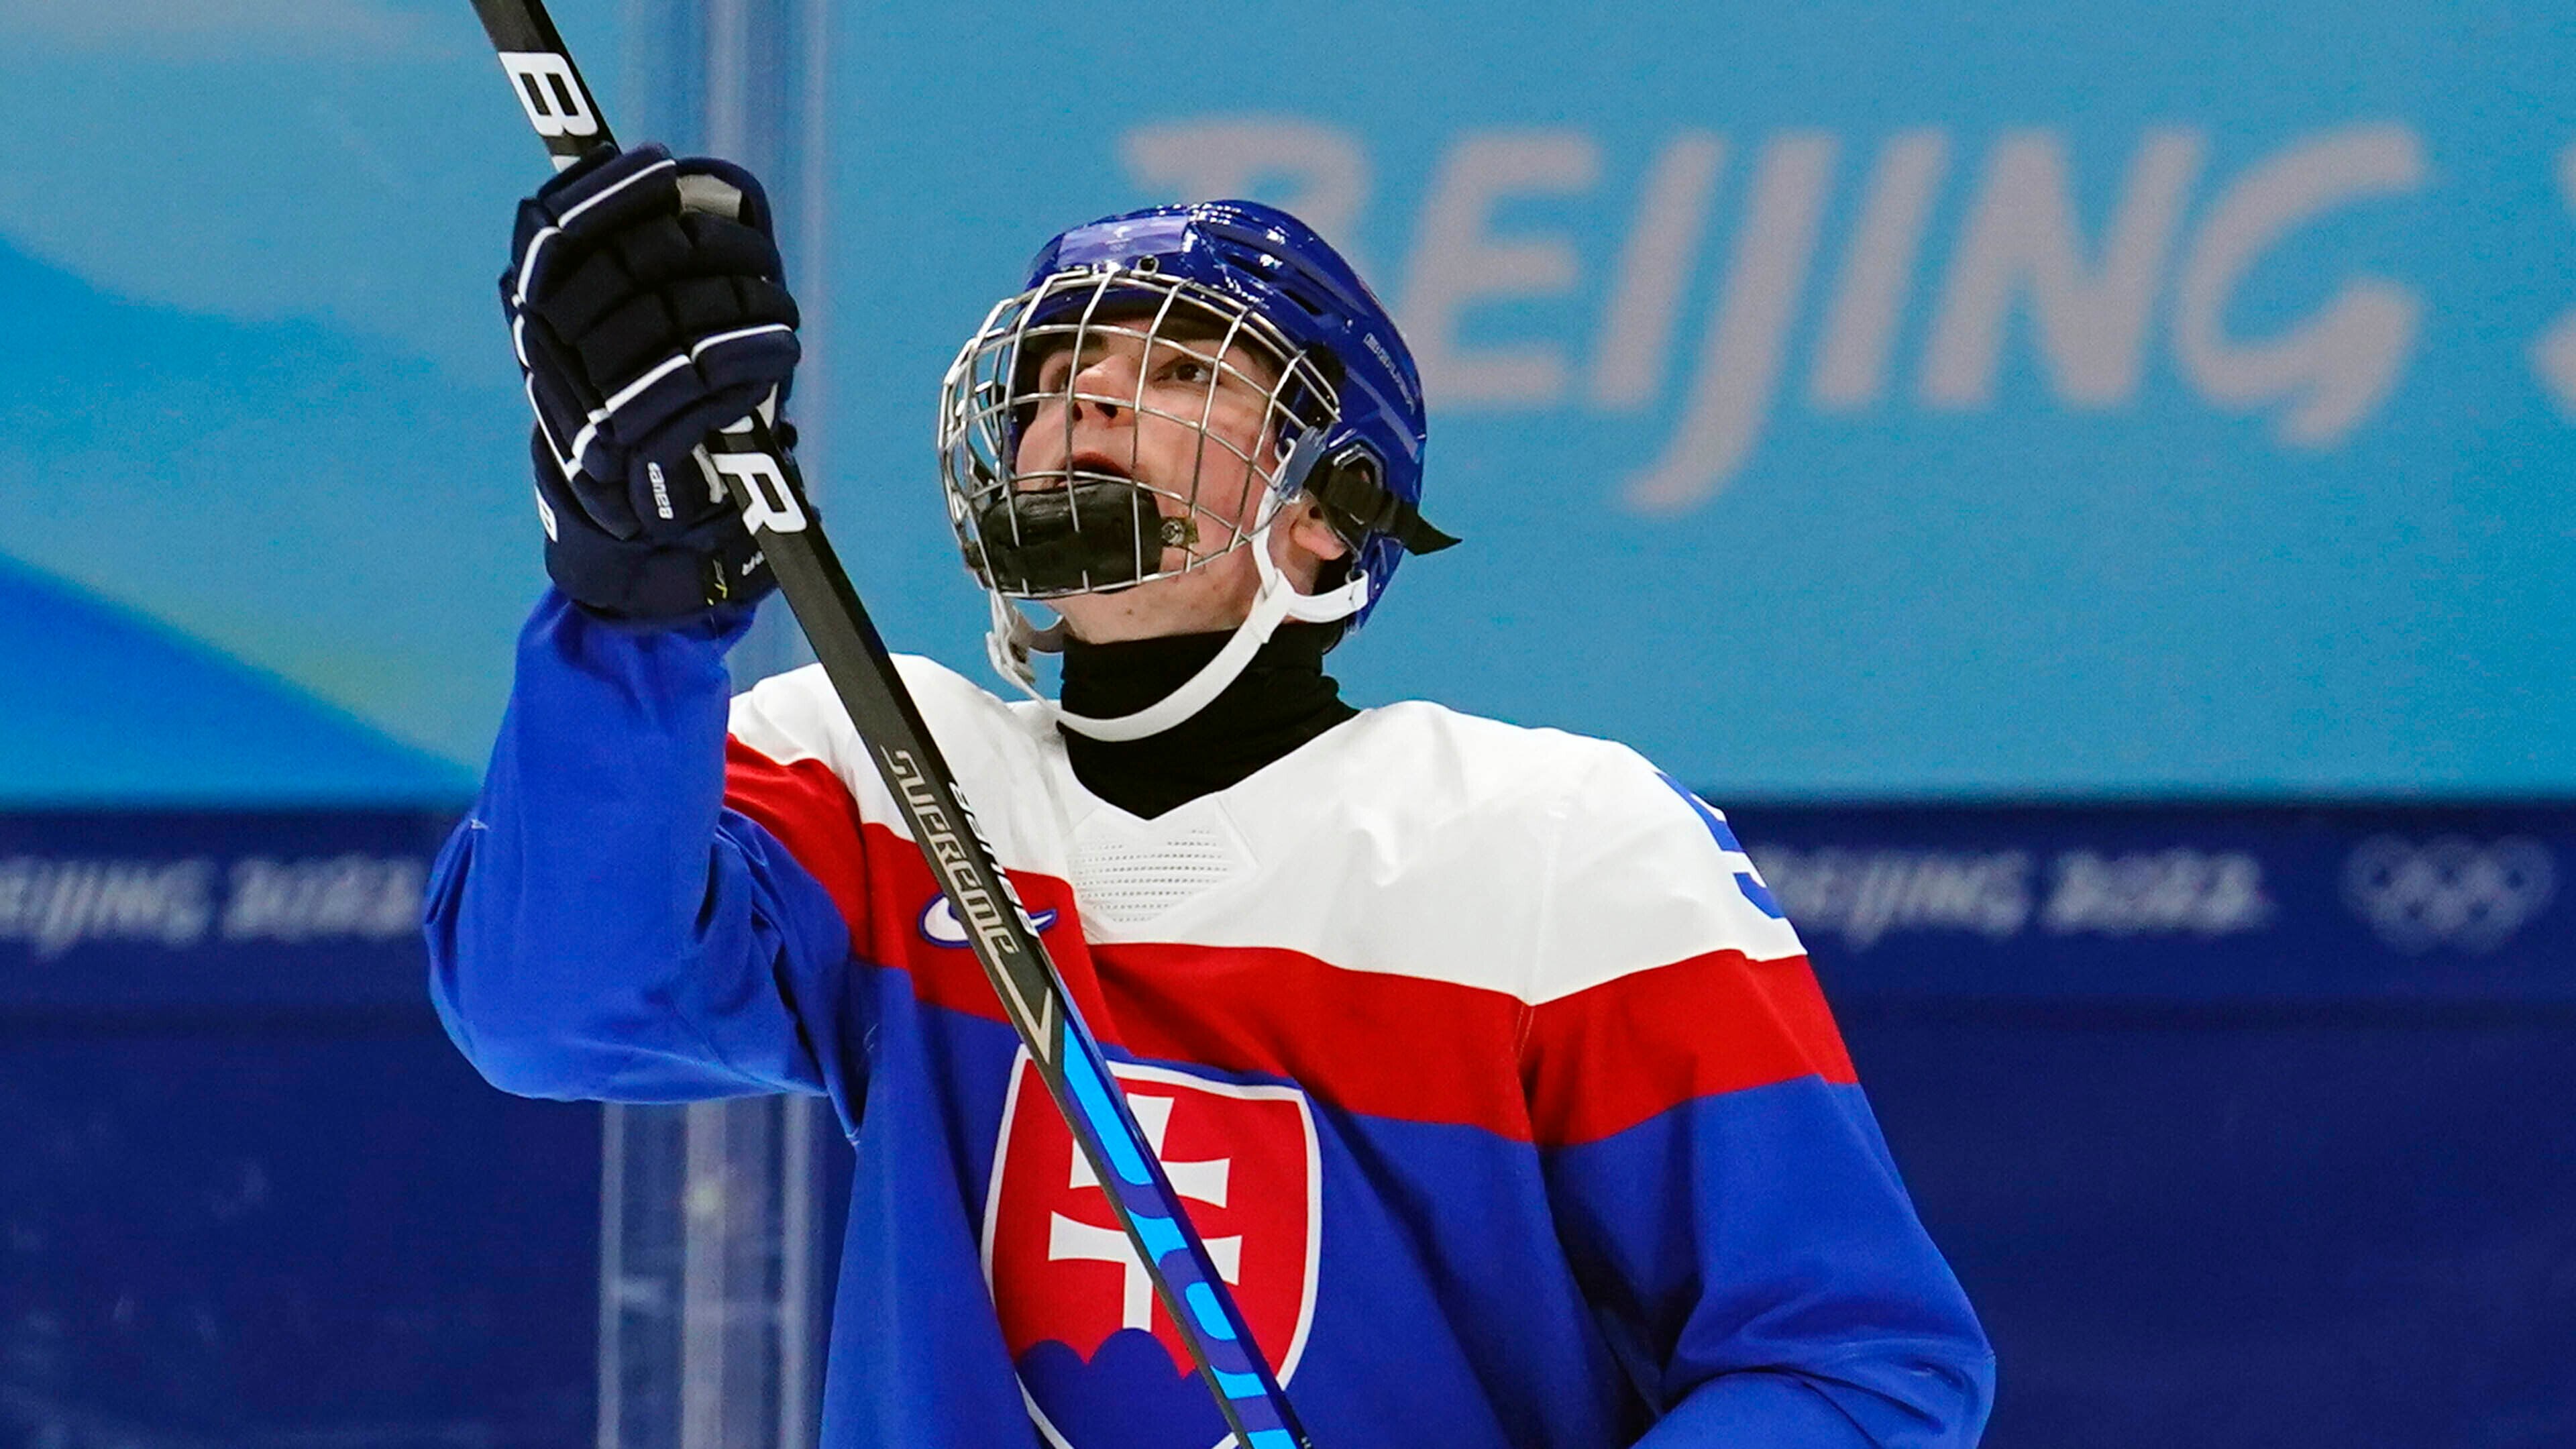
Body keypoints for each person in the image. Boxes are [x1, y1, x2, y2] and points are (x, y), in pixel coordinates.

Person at [429, 143, 1994, 1449]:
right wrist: (633, 600)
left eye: (1179, 369)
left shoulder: (1562, 851)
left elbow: (1856, 1368)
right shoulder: (879, 769)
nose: (1087, 403)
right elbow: (549, 1006)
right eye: (1059, 376)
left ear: (1332, 514)